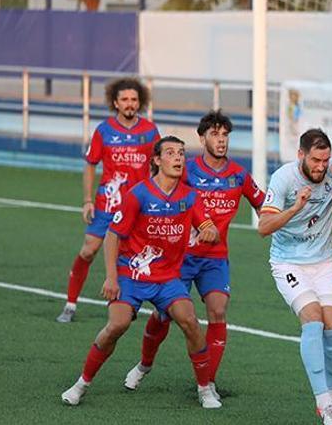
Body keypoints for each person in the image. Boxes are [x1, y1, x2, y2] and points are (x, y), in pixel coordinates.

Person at [61, 136, 222, 408]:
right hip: (131, 276)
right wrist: (112, 277)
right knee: (117, 325)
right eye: (171, 153)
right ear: (157, 160)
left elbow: (211, 229)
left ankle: (205, 389)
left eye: (181, 153)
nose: (178, 158)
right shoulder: (138, 194)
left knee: (191, 321)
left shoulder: (190, 196)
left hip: (167, 278)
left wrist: (209, 231)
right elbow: (113, 236)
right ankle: (81, 384)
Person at [123, 110, 266, 404]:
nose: (221, 140)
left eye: (225, 135)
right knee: (162, 316)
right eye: (214, 134)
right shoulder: (184, 168)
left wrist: (284, 216)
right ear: (202, 139)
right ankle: (144, 364)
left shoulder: (238, 175)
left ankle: (208, 383)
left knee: (218, 311)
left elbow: (263, 205)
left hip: (215, 258)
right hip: (180, 258)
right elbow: (156, 192)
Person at [257, 129, 332, 425]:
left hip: (324, 262)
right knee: (314, 318)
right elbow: (264, 226)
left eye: (325, 159)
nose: (321, 166)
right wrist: (295, 207)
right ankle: (325, 403)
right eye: (316, 160)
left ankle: (329, 399)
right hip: (288, 264)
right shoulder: (284, 178)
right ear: (301, 155)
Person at [56, 78, 160, 323]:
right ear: (115, 102)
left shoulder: (150, 131)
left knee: (137, 256)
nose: (129, 104)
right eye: (124, 99)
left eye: (134, 99)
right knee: (89, 249)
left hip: (138, 206)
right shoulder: (104, 130)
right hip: (108, 204)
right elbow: (91, 164)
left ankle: (129, 305)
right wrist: (87, 200)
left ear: (140, 102)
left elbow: (159, 166)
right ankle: (70, 303)